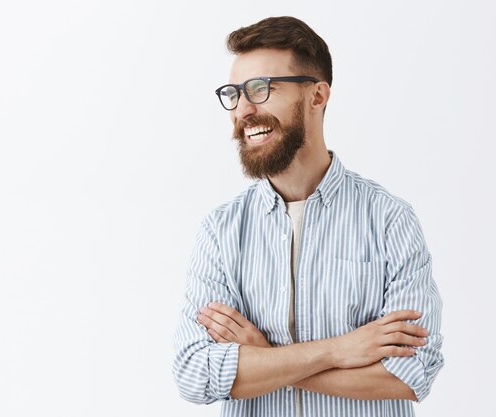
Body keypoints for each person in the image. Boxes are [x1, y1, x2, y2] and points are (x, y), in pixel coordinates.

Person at [172, 16, 444, 417]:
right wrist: (340, 349)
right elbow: (195, 373)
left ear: (317, 96)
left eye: (261, 89)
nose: (243, 109)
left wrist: (265, 357)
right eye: (234, 93)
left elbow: (411, 374)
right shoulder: (221, 231)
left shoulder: (389, 220)